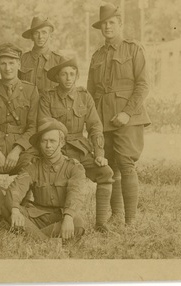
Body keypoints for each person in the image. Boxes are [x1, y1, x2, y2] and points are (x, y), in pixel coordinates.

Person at [87, 3, 151, 225]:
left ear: (120, 24)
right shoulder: (97, 56)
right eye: (104, 24)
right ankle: (115, 216)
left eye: (111, 23)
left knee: (126, 164)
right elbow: (90, 92)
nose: (107, 27)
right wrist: (92, 121)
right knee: (109, 166)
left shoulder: (133, 49)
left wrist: (126, 113)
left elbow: (142, 85)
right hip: (102, 118)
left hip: (128, 118)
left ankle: (130, 221)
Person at [40, 57, 114, 232]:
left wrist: (99, 153)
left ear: (77, 76)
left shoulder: (84, 96)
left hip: (81, 149)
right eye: (64, 74)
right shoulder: (48, 98)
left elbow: (95, 126)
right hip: (58, 150)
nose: (68, 78)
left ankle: (101, 224)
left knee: (106, 172)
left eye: (72, 74)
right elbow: (44, 126)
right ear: (57, 77)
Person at [0, 43, 39, 218]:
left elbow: (33, 127)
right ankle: (2, 207)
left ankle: (21, 206)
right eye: (3, 63)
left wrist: (17, 150)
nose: (7, 68)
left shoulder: (30, 90)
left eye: (12, 63)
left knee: (32, 165)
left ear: (19, 64)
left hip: (20, 147)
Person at [5, 118, 86, 240]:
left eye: (52, 141)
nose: (48, 146)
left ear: (62, 143)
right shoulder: (32, 167)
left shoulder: (74, 167)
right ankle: (44, 240)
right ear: (39, 144)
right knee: (10, 210)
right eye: (44, 141)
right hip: (37, 216)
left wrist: (68, 218)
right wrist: (15, 210)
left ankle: (31, 237)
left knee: (77, 222)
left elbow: (76, 194)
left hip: (61, 217)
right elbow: (17, 187)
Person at [19, 16, 64, 93]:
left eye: (44, 32)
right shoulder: (22, 59)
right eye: (36, 33)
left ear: (50, 36)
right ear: (32, 37)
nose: (40, 37)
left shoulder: (59, 61)